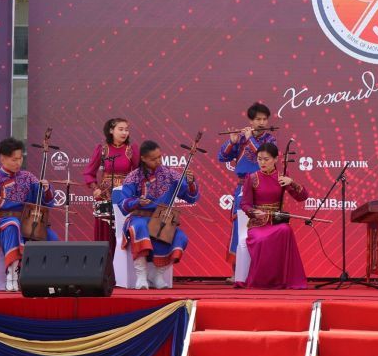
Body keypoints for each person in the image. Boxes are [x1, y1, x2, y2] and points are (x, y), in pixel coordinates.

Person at [0, 137, 59, 292]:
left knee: (51, 236)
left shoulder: (28, 177)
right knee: (12, 224)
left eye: (20, 158)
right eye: (14, 159)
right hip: (0, 224)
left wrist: (46, 189)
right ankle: (12, 274)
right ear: (2, 159)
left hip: (27, 223)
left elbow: (45, 202)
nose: (18, 163)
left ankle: (49, 279)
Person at [118, 140, 199, 289]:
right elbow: (123, 203)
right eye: (153, 159)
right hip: (139, 217)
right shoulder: (133, 176)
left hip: (162, 218)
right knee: (140, 227)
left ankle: (157, 274)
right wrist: (137, 202)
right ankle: (141, 276)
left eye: (160, 157)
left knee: (181, 237)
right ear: (143, 158)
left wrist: (191, 182)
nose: (158, 161)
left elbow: (191, 197)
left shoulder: (170, 174)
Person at [218, 102, 277, 283]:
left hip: (263, 187)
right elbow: (222, 157)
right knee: (240, 229)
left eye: (264, 119)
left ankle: (259, 272)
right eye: (258, 119)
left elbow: (262, 155)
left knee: (261, 229)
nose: (262, 122)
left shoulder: (270, 140)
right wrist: (232, 142)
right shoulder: (242, 138)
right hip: (243, 187)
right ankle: (238, 273)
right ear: (250, 121)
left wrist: (250, 139)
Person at [238, 142, 308, 289]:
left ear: (275, 159)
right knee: (261, 239)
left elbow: (303, 197)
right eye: (259, 159)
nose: (262, 162)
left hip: (276, 221)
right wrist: (253, 212)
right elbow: (244, 204)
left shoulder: (282, 177)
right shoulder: (252, 177)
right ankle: (262, 281)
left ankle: (283, 280)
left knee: (285, 229)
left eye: (266, 159)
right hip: (258, 224)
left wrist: (292, 182)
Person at [82, 118, 139, 254]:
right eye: (121, 129)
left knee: (124, 232)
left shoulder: (132, 149)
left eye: (126, 130)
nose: (124, 133)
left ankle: (123, 264)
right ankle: (105, 264)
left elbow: (139, 173)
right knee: (105, 235)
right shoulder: (102, 149)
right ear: (111, 131)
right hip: (105, 196)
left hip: (125, 195)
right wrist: (95, 188)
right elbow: (89, 173)